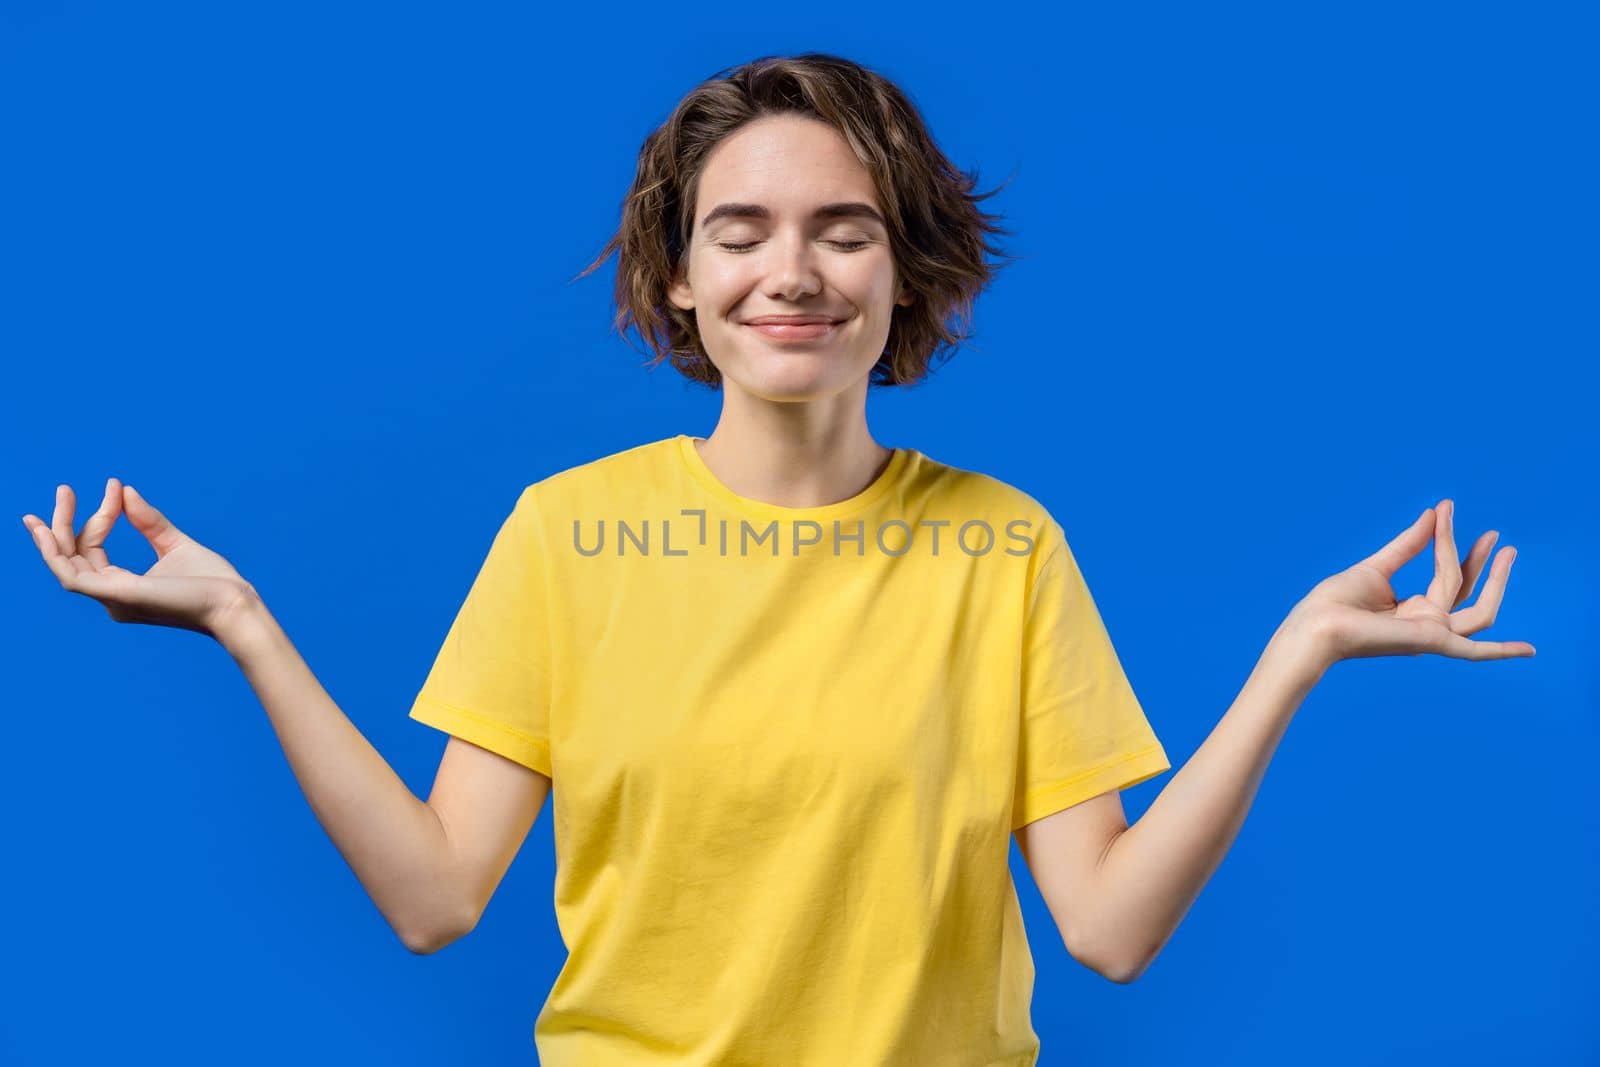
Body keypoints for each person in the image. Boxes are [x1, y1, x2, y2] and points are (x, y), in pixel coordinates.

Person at [23, 52, 1534, 1067]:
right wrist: (243, 622)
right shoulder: (568, 535)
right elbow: (433, 899)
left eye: (845, 231)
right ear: (679, 283)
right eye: (739, 232)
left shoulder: (1002, 548)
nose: (793, 273)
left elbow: (1110, 932)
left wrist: (1297, 658)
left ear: (908, 273)